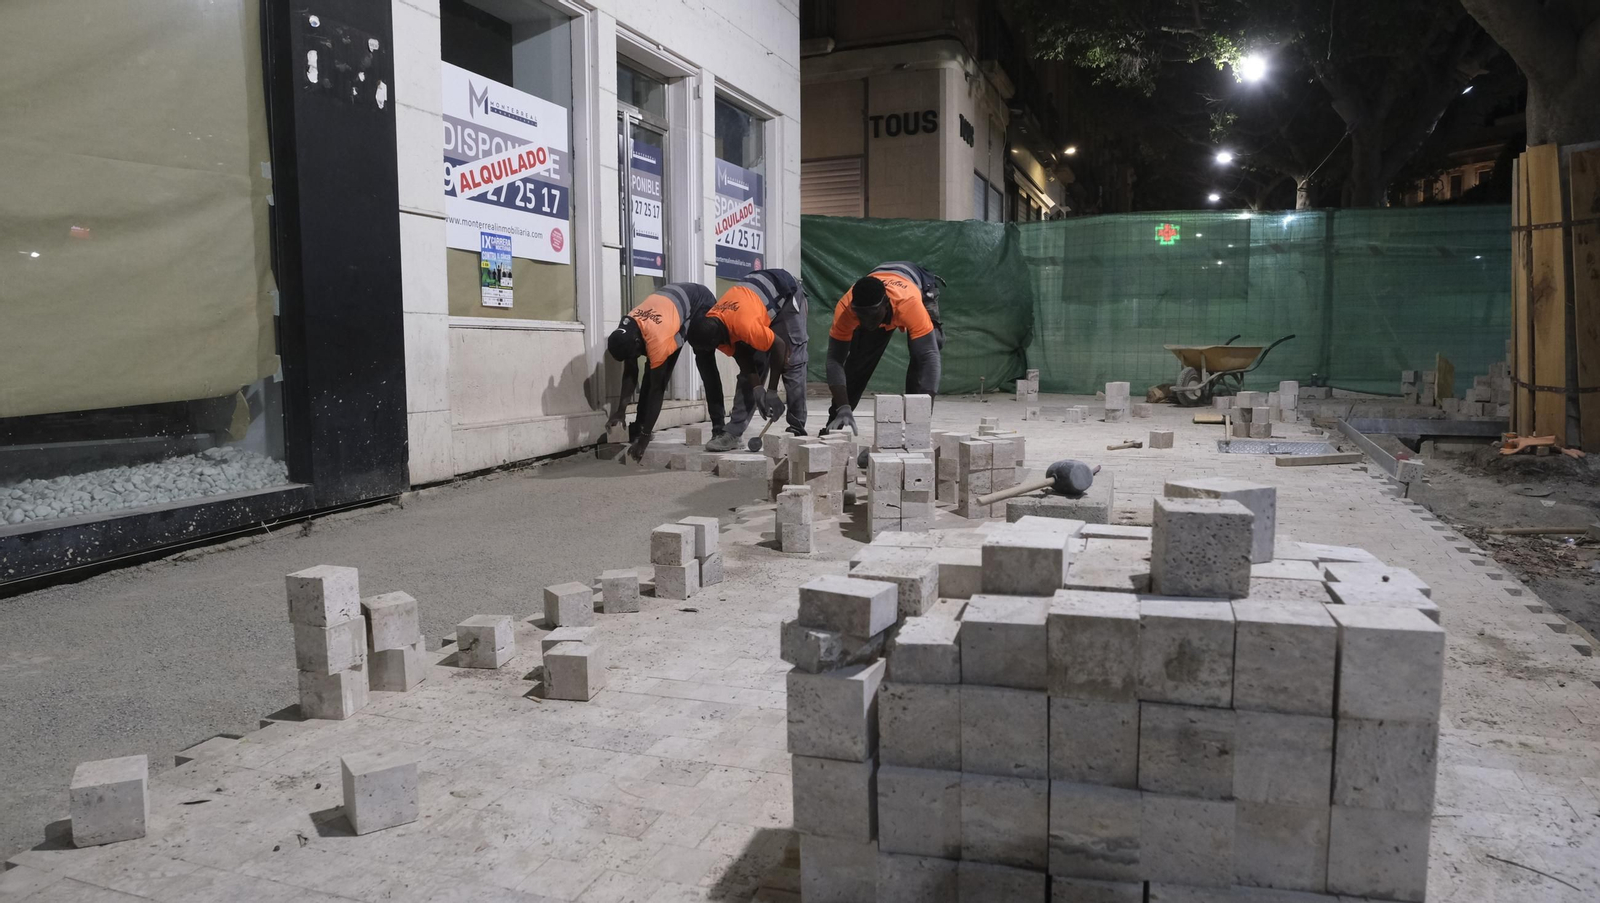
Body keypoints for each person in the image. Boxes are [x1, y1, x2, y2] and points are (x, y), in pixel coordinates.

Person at [687, 268, 809, 451]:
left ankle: (796, 429)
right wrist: (757, 388)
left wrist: (772, 391)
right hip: (753, 302)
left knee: (791, 361)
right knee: (753, 365)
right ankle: (734, 433)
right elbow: (743, 357)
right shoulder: (713, 325)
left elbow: (779, 347)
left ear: (717, 339)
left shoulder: (744, 325)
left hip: (785, 295)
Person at [605, 282, 721, 462]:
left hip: (700, 302)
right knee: (650, 372)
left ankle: (719, 429)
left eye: (635, 354)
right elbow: (630, 372)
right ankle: (641, 424)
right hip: (671, 303)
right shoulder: (627, 328)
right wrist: (620, 410)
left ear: (637, 342)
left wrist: (644, 439)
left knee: (704, 361)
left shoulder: (659, 339)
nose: (636, 357)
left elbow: (657, 390)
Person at [823, 262, 944, 434]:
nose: (865, 322)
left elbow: (929, 357)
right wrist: (843, 406)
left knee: (924, 353)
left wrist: (923, 409)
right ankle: (836, 422)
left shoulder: (908, 304)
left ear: (886, 303)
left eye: (870, 315)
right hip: (881, 286)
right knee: (858, 362)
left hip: (918, 287)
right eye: (860, 315)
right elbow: (834, 360)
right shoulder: (846, 309)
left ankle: (915, 426)